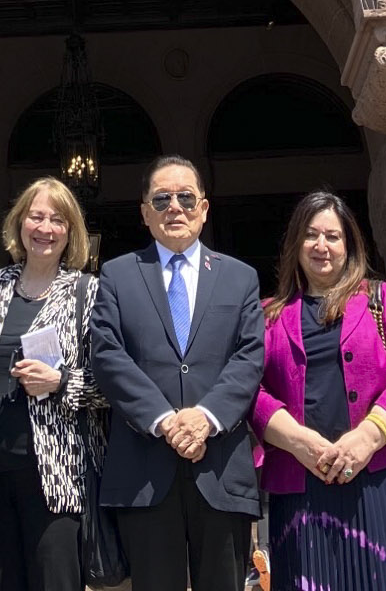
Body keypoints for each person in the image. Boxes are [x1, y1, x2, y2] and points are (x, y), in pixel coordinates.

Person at [89, 154, 264, 591]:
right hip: (145, 471)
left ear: (204, 208)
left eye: (186, 197)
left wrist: (205, 418)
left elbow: (249, 357)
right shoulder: (117, 275)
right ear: (145, 213)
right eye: (162, 198)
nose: (175, 207)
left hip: (220, 468)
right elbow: (109, 356)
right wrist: (167, 422)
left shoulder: (240, 278)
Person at [252, 189, 386, 591]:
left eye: (333, 236)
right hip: (301, 489)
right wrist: (297, 440)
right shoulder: (268, 315)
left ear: (349, 244)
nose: (322, 246)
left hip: (380, 480)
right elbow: (249, 393)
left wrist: (368, 436)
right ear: (295, 244)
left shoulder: (383, 299)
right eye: (311, 235)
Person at [0, 177, 106, 591]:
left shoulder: (89, 292)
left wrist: (61, 381)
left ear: (71, 232)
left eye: (57, 219)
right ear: (19, 224)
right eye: (36, 216)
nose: (45, 228)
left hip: (59, 476)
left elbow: (113, 386)